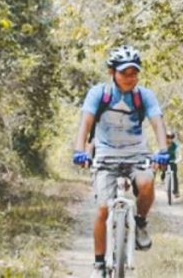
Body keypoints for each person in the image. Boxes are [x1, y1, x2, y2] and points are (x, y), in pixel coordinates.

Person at [72, 45, 170, 278]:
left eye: (134, 73)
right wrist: (80, 151)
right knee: (103, 209)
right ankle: (98, 264)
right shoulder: (100, 94)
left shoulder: (143, 95)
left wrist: (163, 150)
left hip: (136, 154)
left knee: (146, 182)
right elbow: (85, 123)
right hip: (106, 156)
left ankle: (141, 223)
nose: (130, 78)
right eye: (125, 73)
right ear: (112, 72)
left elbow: (157, 122)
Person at [160, 130, 181, 198]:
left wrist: (178, 160)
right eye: (168, 137)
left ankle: (176, 191)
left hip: (173, 161)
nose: (169, 139)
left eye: (171, 137)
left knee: (174, 175)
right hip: (165, 161)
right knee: (163, 169)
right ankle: (163, 179)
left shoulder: (175, 145)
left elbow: (179, 153)